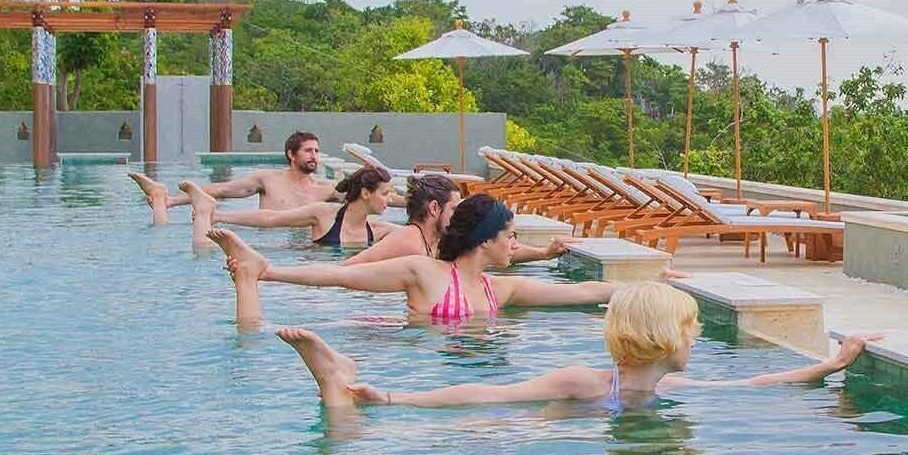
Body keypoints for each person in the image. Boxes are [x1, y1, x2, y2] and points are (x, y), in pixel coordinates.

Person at [276, 280, 882, 414]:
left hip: (567, 432)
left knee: (341, 420)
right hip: (519, 435)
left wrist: (829, 365)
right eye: (691, 328)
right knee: (351, 423)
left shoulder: (667, 388)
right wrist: (396, 397)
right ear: (665, 338)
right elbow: (490, 392)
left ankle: (338, 383)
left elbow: (750, 385)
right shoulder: (586, 382)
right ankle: (351, 386)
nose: (696, 338)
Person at [208, 192, 669, 329]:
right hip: (409, 356)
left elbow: (583, 294)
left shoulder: (500, 290)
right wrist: (270, 270)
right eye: (510, 237)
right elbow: (340, 277)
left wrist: (658, 284)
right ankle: (253, 277)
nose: (515, 246)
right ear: (486, 240)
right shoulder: (424, 272)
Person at [346, 174, 572, 267]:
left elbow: (489, 244)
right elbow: (348, 270)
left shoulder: (435, 241)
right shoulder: (409, 242)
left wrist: (543, 254)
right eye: (454, 208)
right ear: (435, 208)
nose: (460, 214)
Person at [181, 165, 396, 254]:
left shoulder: (379, 230)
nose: (390, 199)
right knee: (203, 251)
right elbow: (272, 219)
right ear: (366, 193)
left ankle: (204, 210)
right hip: (308, 287)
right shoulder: (324, 214)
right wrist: (219, 216)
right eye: (385, 193)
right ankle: (205, 211)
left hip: (334, 291)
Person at [128, 131, 333, 222]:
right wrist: (172, 201)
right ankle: (161, 197)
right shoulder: (268, 179)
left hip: (304, 248)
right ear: (291, 154)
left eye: (316, 151)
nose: (314, 156)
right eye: (308, 151)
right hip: (270, 245)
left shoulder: (327, 189)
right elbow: (223, 190)